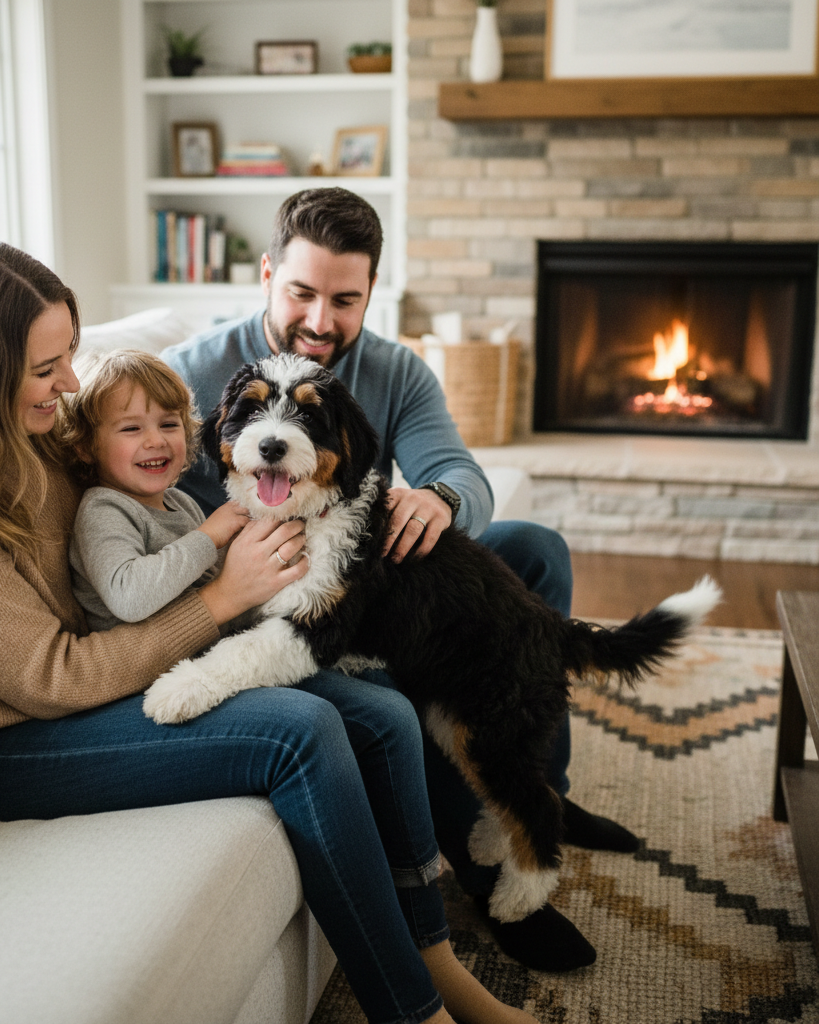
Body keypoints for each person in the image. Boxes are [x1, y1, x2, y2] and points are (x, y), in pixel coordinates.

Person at [0, 234, 538, 1024]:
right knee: (298, 729)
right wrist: (218, 599)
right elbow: (49, 678)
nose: (70, 382)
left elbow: (149, 493)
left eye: (69, 355)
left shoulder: (35, 437)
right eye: (46, 369)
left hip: (85, 680)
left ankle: (434, 958)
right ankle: (417, 1014)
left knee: (378, 713)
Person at [162, 187, 640, 973]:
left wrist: (439, 498)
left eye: (345, 300)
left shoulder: (394, 369)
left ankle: (532, 785)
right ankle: (488, 855)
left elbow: (460, 470)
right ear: (267, 274)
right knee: (390, 696)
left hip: (367, 572)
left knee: (536, 549)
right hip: (269, 602)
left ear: (371, 293)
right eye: (302, 293)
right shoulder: (193, 375)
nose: (321, 321)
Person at [62, 348, 248, 631]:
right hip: (153, 669)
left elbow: (219, 580)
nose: (156, 440)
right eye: (131, 428)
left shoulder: (181, 502)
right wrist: (209, 536)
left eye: (169, 424)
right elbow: (128, 596)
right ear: (85, 447)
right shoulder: (104, 509)